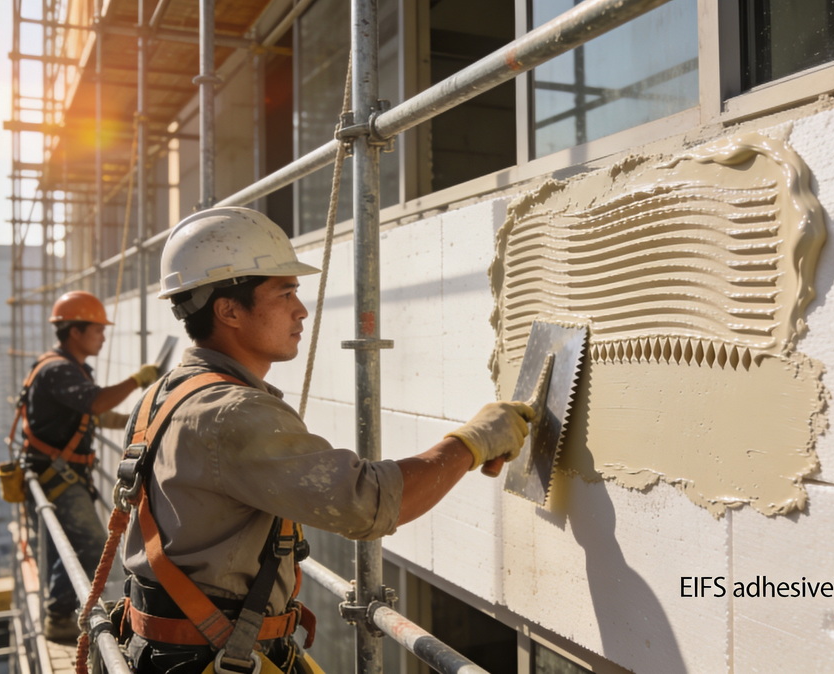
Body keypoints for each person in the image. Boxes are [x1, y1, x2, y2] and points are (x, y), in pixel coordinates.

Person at [116, 207, 534, 673]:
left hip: (176, 651)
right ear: (228, 310)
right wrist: (472, 442)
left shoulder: (165, 393)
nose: (301, 309)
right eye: (285, 292)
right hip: (212, 658)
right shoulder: (231, 412)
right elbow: (367, 502)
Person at [20, 290, 163, 642]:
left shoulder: (68, 368)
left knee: (67, 544)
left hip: (58, 474)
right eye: (97, 330)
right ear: (75, 332)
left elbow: (96, 417)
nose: (102, 337)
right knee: (91, 544)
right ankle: (59, 617)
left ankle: (60, 609)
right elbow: (96, 404)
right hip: (57, 476)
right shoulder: (58, 370)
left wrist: (145, 419)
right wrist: (137, 380)